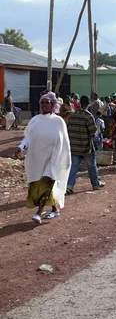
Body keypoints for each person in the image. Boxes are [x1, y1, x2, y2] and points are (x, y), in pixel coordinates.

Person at [15, 92, 71, 224]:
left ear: (52, 105)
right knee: (40, 185)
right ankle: (55, 208)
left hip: (52, 160)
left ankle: (38, 213)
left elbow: (63, 141)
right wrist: (20, 147)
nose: (44, 105)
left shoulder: (58, 121)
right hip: (37, 160)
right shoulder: (35, 120)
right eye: (42, 102)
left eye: (47, 102)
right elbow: (28, 138)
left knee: (46, 182)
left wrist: (59, 157)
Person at [66, 95, 105, 195]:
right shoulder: (88, 116)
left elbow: (68, 129)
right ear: (88, 104)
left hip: (74, 145)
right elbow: (93, 133)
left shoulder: (73, 115)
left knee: (74, 166)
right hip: (86, 146)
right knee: (91, 165)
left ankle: (69, 186)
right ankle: (95, 183)